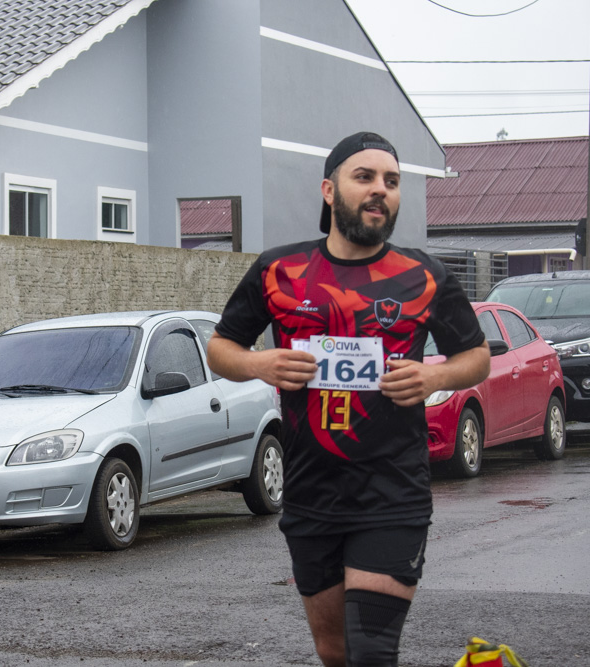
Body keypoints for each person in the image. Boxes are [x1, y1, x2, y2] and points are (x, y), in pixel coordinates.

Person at [207, 131, 490, 667]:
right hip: (311, 493)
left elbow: (476, 357)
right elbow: (221, 347)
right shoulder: (278, 271)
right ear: (329, 191)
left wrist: (433, 378)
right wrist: (260, 364)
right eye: (365, 177)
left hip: (392, 492)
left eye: (392, 181)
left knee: (371, 653)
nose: (380, 190)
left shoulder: (425, 276)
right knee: (334, 653)